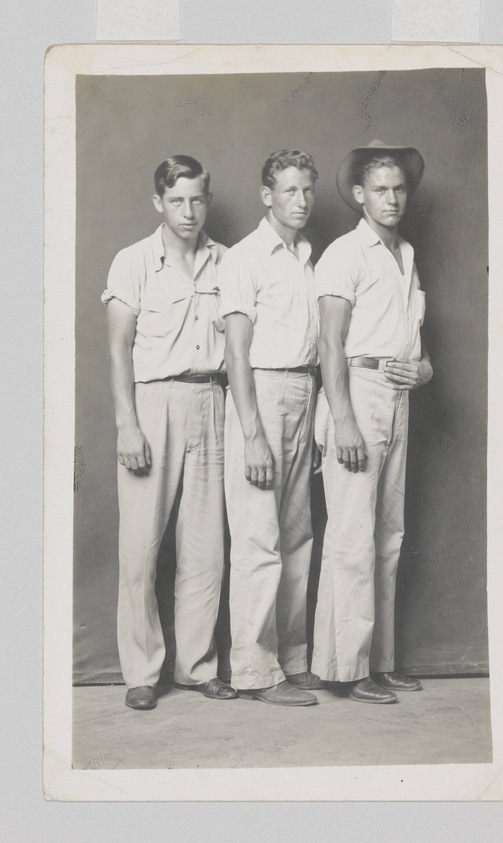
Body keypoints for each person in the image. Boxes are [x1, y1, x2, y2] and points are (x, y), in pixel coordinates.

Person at [103, 155, 236, 710]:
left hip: (213, 398)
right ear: (159, 202)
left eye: (197, 199)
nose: (189, 211)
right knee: (139, 549)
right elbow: (116, 349)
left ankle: (197, 666)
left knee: (205, 549)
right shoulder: (133, 261)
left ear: (208, 199)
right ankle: (141, 671)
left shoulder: (228, 261)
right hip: (153, 404)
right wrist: (127, 424)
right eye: (177, 200)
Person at [312, 139, 433, 704]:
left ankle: (378, 662)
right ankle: (345, 667)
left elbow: (411, 337)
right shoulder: (344, 253)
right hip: (354, 396)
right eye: (380, 189)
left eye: (399, 188)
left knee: (388, 536)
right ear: (359, 195)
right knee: (352, 536)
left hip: (397, 396)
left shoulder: (405, 254)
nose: (392, 198)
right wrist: (343, 422)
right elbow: (330, 344)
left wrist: (424, 367)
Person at [219, 150, 324, 706]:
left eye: (307, 190)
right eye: (289, 191)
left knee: (297, 536)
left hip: (305, 392)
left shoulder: (308, 255)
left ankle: (292, 658)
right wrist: (253, 433)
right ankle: (256, 673)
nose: (301, 201)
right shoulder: (244, 258)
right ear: (267, 196)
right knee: (259, 539)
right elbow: (236, 352)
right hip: (260, 394)